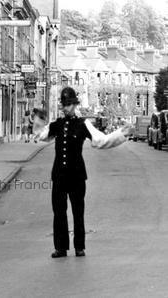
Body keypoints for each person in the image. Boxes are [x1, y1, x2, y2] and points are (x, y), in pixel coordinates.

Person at [33, 87, 132, 258]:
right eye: (64, 105)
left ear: (74, 105)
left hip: (77, 176)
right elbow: (41, 136)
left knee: (78, 212)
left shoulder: (83, 124)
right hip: (59, 176)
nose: (65, 108)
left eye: (68, 105)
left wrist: (120, 135)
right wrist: (37, 119)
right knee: (59, 212)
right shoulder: (57, 124)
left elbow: (101, 141)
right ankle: (61, 247)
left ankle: (79, 246)